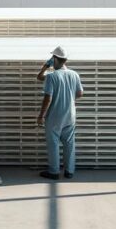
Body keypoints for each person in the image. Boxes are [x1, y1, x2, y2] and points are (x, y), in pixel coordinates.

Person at [36, 46, 84, 180]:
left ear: (55, 59)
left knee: (53, 144)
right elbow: (80, 93)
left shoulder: (52, 77)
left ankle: (54, 172)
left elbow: (48, 97)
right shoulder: (74, 74)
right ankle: (69, 171)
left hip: (55, 116)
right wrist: (67, 94)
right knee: (69, 144)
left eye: (53, 58)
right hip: (70, 115)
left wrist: (41, 116)